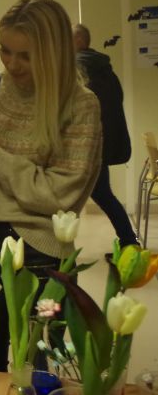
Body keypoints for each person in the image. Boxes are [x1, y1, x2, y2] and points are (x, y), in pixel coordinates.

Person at [0, 0, 102, 372]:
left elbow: (60, 195)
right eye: (5, 50)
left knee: (40, 363)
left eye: (26, 56)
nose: (12, 64)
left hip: (42, 253)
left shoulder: (80, 105)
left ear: (54, 53)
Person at [73, 24, 139, 250]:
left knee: (96, 195)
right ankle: (129, 242)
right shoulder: (105, 69)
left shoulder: (78, 69)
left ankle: (129, 242)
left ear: (78, 41)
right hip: (101, 146)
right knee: (103, 195)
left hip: (83, 147)